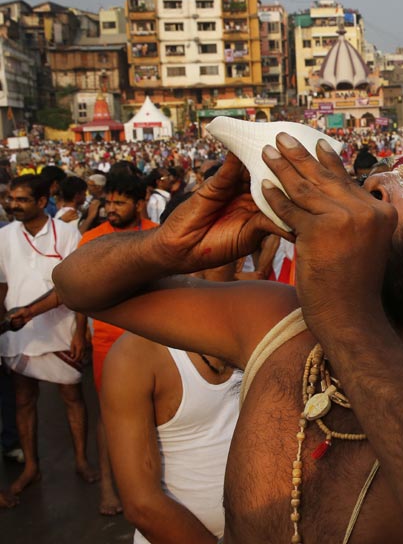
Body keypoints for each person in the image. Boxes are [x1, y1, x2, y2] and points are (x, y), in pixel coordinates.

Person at [54, 138, 403, 543]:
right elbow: (77, 284)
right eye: (381, 174)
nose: (378, 186)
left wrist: (347, 317)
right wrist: (172, 246)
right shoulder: (277, 319)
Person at [102, 284, 240, 542]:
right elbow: (143, 506)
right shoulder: (135, 355)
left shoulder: (256, 326)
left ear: (239, 258)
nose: (196, 265)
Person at [0, 175, 97, 497]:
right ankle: (31, 467)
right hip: (19, 334)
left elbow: (79, 286)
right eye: (11, 198)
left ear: (42, 202)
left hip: (61, 330)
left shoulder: (68, 234)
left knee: (72, 398)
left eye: (21, 199)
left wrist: (80, 332)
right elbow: (2, 287)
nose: (12, 204)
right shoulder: (4, 236)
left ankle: (82, 460)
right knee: (24, 400)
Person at [78, 172, 158, 514]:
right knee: (108, 416)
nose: (110, 208)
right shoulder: (92, 239)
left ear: (140, 204)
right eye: (108, 202)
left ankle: (152, 491)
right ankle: (109, 490)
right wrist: (78, 331)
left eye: (120, 203)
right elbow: (78, 290)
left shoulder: (158, 233)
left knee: (154, 413)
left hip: (154, 337)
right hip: (107, 339)